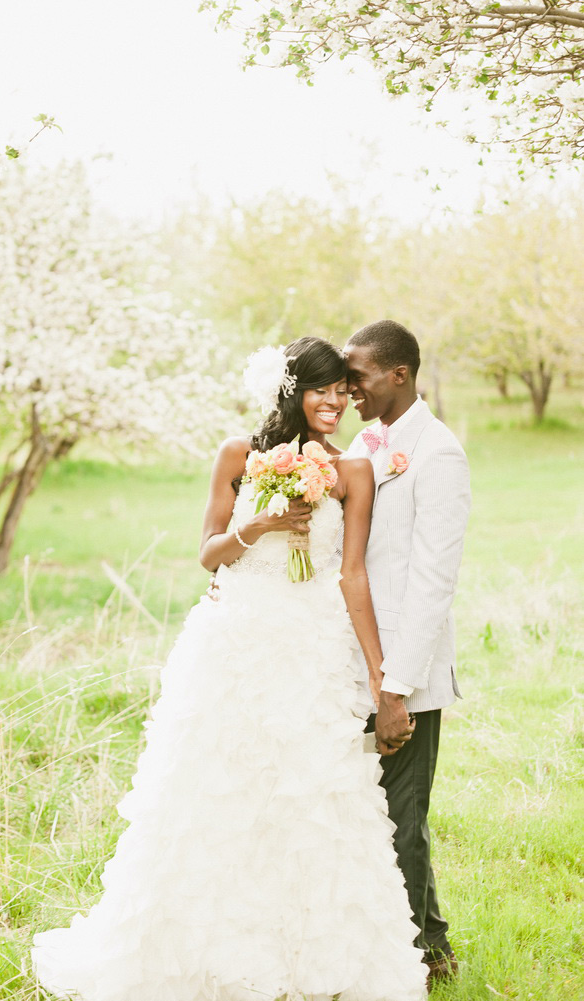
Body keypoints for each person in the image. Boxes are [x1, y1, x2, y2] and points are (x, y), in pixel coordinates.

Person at [32, 336, 427, 1001]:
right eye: (320, 389)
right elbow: (210, 552)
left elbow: (351, 574)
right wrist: (266, 523)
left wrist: (381, 675)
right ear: (290, 389)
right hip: (237, 644)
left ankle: (309, 960)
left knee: (313, 799)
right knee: (219, 795)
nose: (334, 401)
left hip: (313, 652)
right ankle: (206, 952)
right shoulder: (238, 456)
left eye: (341, 390)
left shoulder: (354, 470)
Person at [344, 320, 471, 991]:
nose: (348, 387)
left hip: (404, 679)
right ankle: (405, 945)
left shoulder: (439, 454)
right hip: (351, 667)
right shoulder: (365, 444)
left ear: (399, 373)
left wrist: (395, 689)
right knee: (367, 814)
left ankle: (426, 954)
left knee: (401, 819)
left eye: (358, 374)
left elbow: (431, 583)